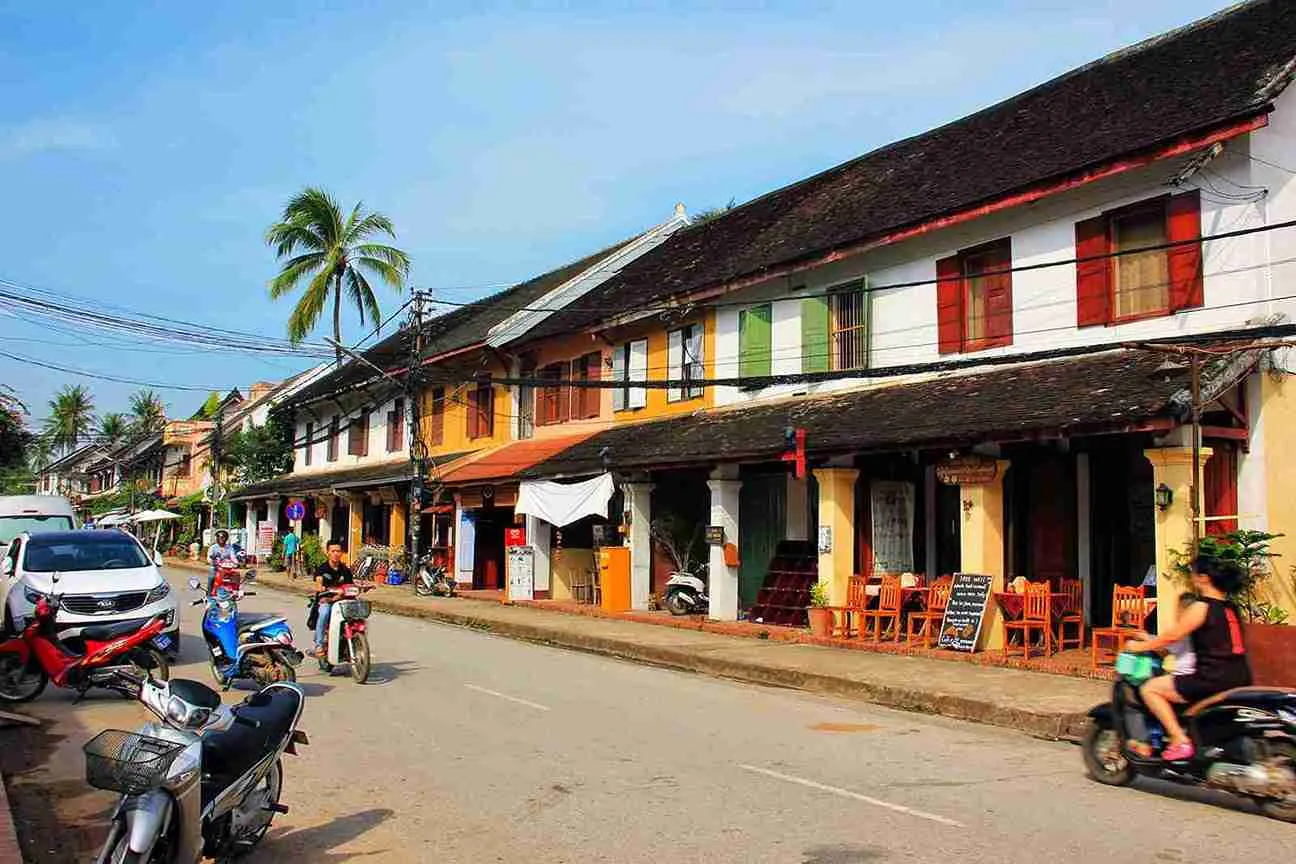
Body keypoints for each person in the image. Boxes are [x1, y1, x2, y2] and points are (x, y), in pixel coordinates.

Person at [1125, 555, 1252, 762]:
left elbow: (1172, 636)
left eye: (1193, 574)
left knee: (1150, 689)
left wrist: (1139, 645)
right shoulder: (1231, 608)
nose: (1192, 578)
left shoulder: (1202, 607)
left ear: (1203, 578)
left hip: (1211, 678)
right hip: (1241, 676)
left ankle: (1179, 739)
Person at [313, 540, 354, 657]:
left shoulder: (345, 570)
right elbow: (318, 582)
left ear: (342, 553)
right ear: (328, 553)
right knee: (324, 613)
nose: (336, 553)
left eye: (338, 551)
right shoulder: (322, 568)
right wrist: (321, 587)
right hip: (327, 601)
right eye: (333, 551)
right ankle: (319, 644)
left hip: (342, 601)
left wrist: (363, 587)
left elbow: (350, 584)